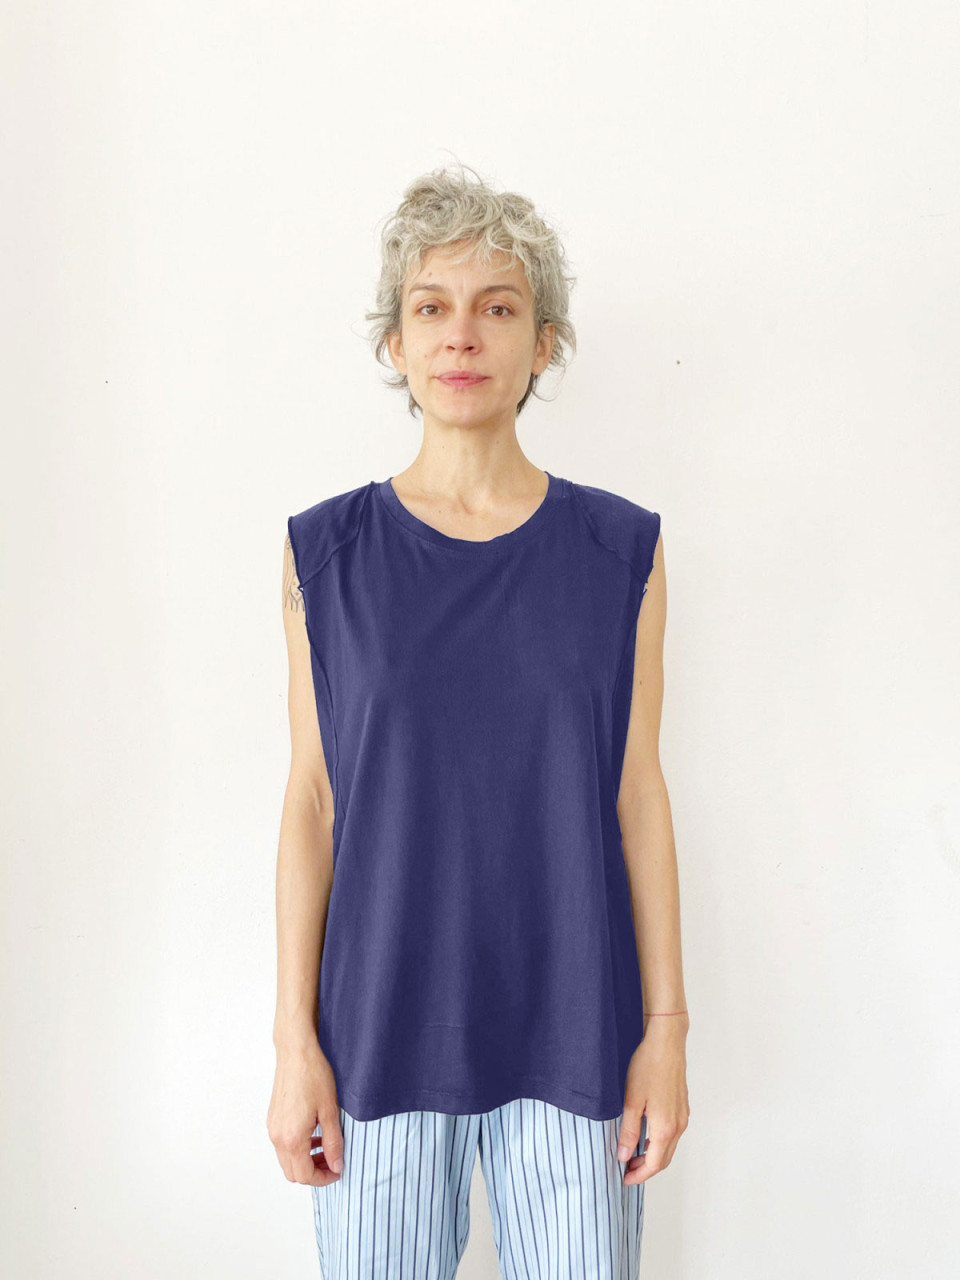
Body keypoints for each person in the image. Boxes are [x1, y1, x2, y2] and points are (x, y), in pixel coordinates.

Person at [267, 162, 690, 1278]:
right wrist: (293, 1042)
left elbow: (638, 793)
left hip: (578, 1030)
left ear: (542, 344)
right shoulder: (326, 556)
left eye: (497, 308)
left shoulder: (621, 552)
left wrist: (667, 1031)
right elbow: (313, 803)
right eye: (432, 307)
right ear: (395, 342)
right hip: (377, 1037)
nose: (462, 334)